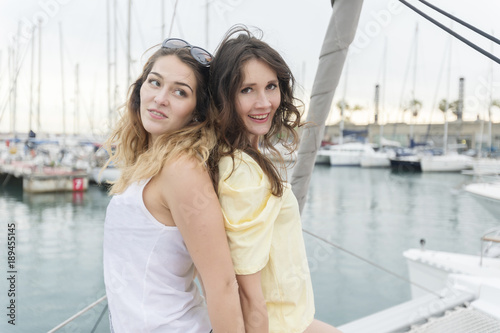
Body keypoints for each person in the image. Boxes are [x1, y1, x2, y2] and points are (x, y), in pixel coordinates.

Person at [102, 38, 244, 333]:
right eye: (154, 82)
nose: (160, 98)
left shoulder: (182, 170)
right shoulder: (149, 161)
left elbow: (221, 283)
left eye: (180, 92)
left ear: (197, 110)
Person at [209, 26, 343, 333]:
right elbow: (249, 294)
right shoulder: (241, 171)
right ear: (224, 97)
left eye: (271, 86)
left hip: (292, 320)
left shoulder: (243, 157)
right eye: (247, 90)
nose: (264, 102)